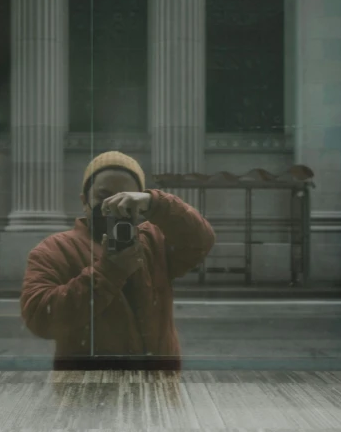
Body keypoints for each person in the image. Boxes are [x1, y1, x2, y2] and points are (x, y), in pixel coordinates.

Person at [20, 151, 215, 371]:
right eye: (104, 196)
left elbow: (201, 240)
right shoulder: (54, 250)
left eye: (125, 197)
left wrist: (155, 203)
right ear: (85, 200)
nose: (113, 206)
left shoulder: (154, 240)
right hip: (88, 391)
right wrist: (109, 272)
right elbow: (39, 318)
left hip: (156, 387)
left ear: (138, 202)